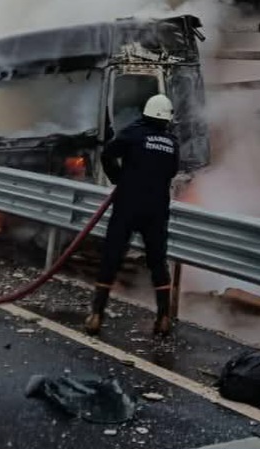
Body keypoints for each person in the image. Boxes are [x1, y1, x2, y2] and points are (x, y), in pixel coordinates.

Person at [85, 93, 179, 336]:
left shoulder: (132, 133)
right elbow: (171, 172)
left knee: (112, 258)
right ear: (167, 118)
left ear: (145, 113)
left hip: (127, 205)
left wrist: (119, 178)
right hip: (156, 210)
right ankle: (164, 318)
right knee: (158, 262)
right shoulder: (171, 143)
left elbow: (107, 154)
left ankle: (96, 315)